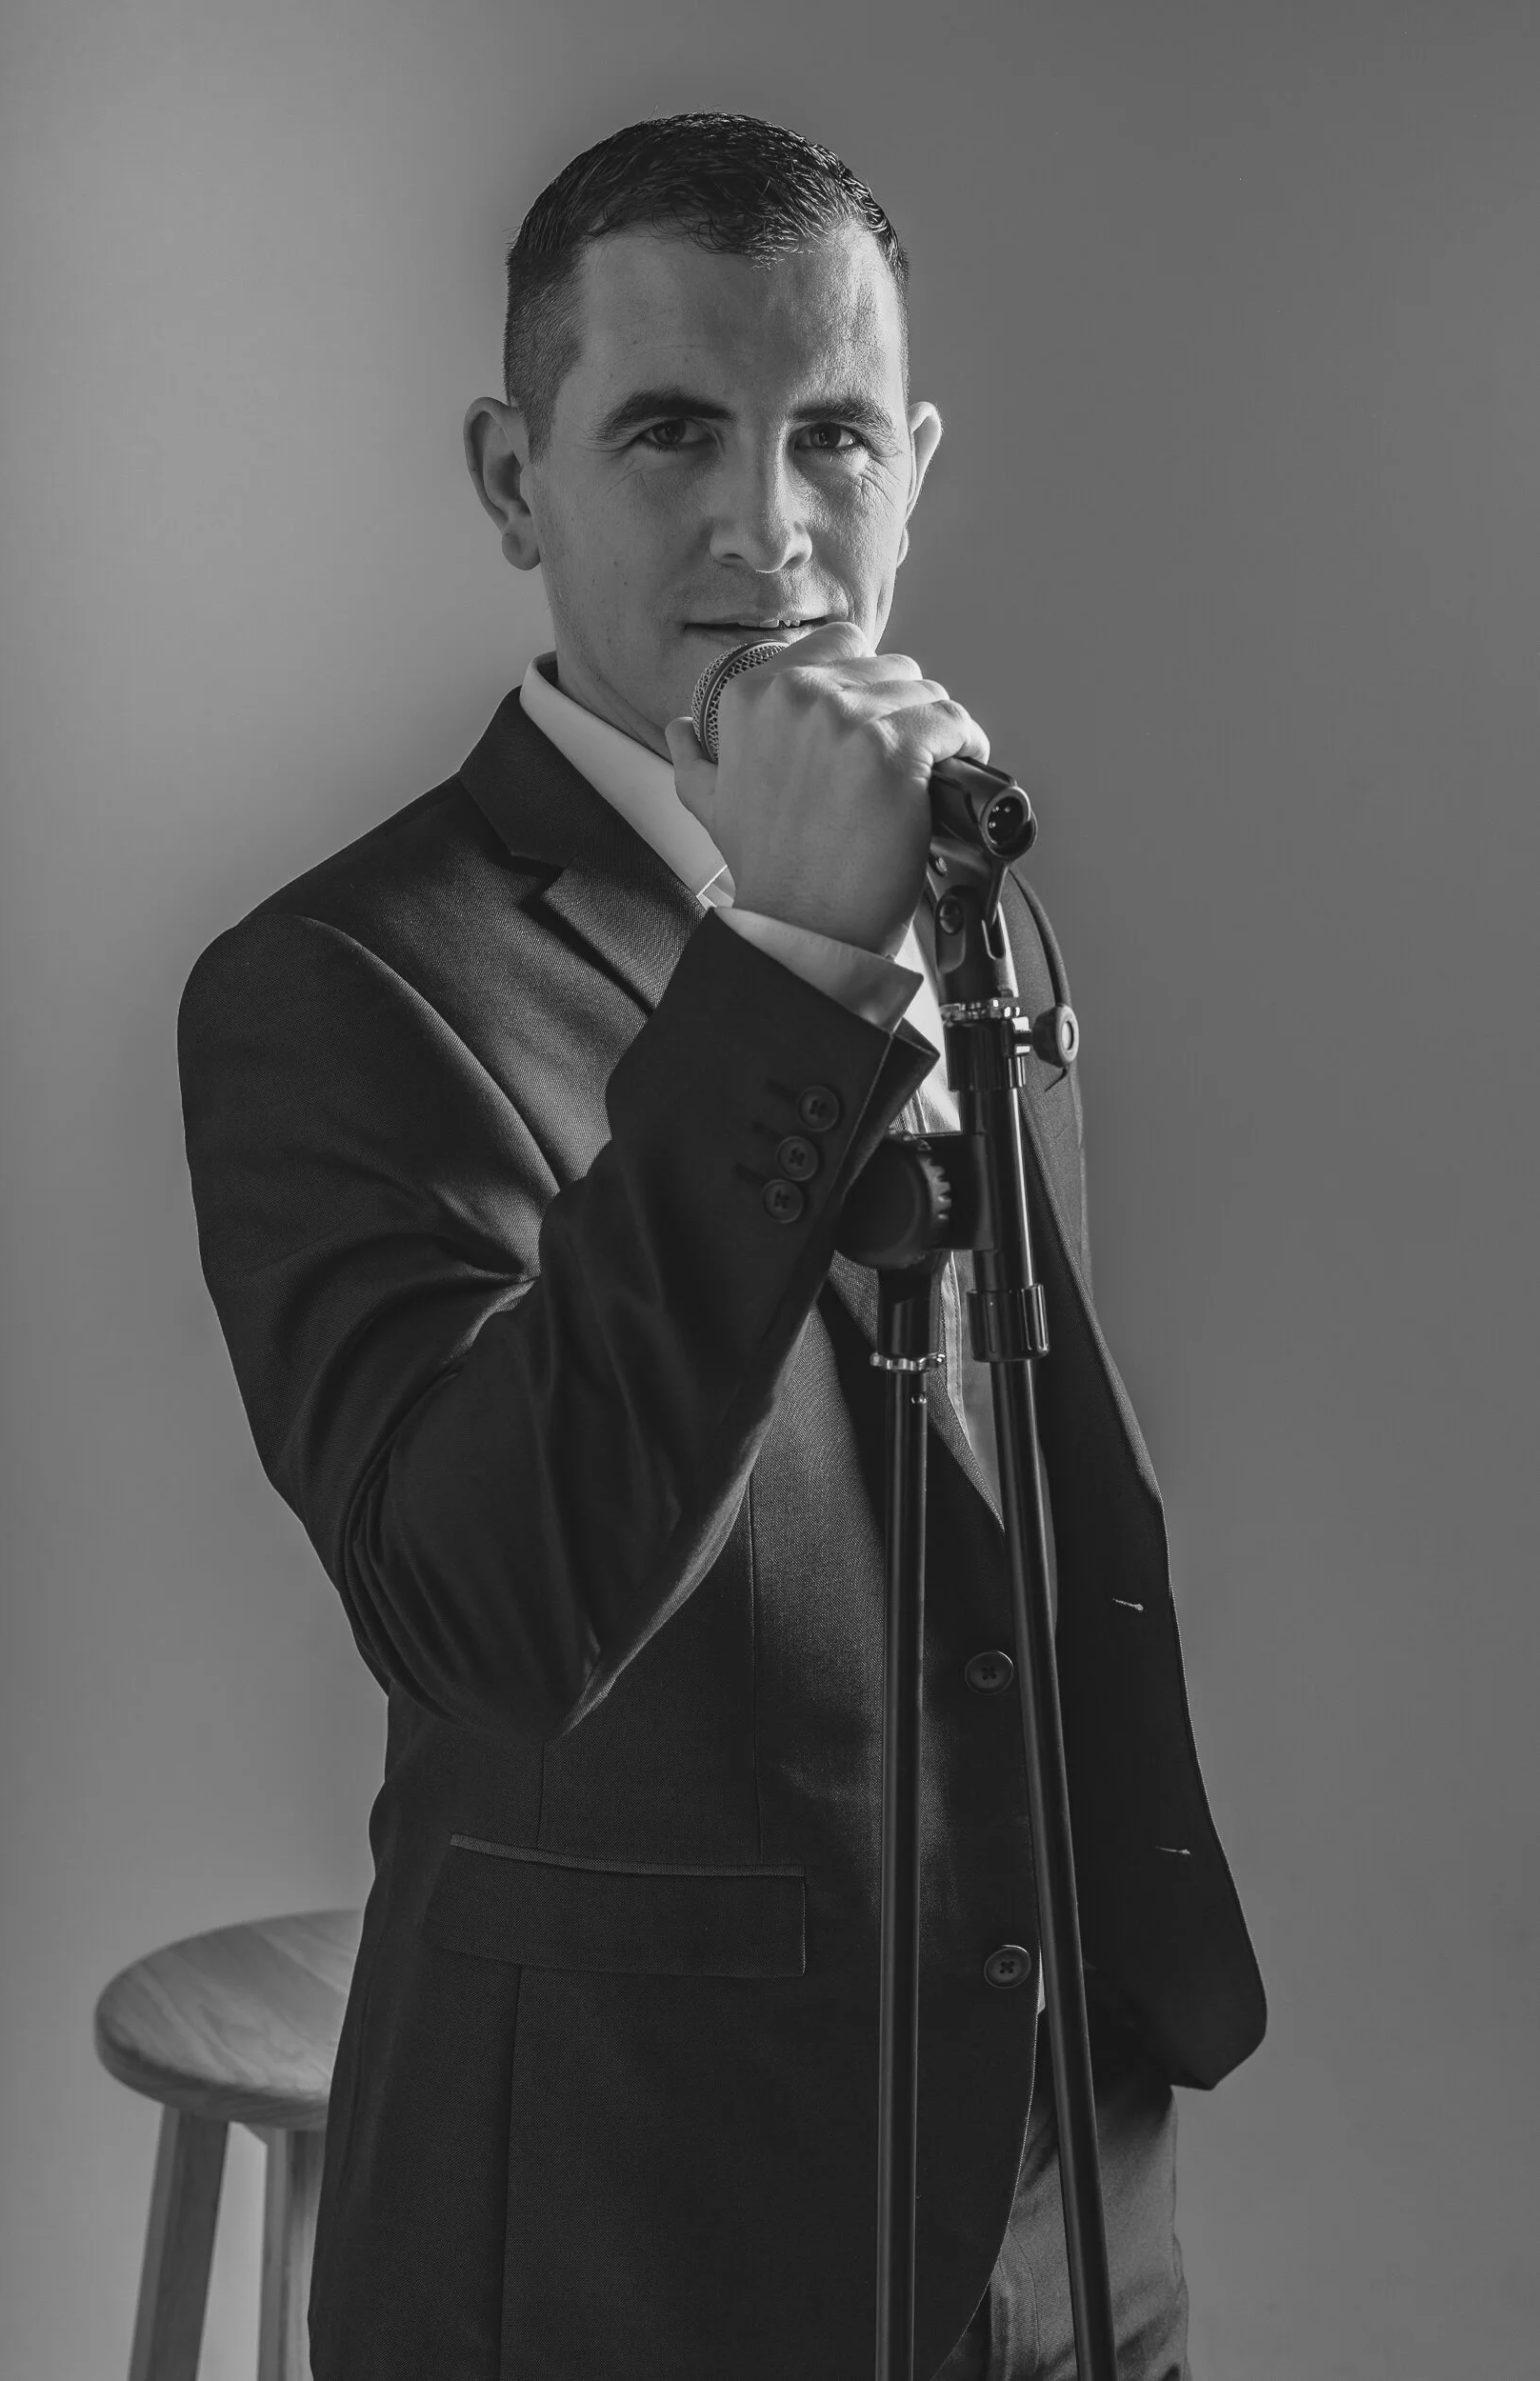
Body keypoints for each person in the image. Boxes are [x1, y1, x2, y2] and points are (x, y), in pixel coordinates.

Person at [177, 110, 1265, 2381]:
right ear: (513, 478)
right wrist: (780, 956)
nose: (768, 527)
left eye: (832, 436)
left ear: (913, 469)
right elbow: (487, 1604)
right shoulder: (336, 984)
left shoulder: (981, 902)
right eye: (669, 429)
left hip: (1057, 2174)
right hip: (629, 2218)